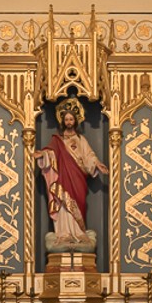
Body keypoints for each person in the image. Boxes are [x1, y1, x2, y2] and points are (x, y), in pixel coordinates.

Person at [35, 96, 106, 252]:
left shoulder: (81, 139)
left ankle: (78, 232)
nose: (68, 122)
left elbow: (89, 156)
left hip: (77, 178)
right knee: (62, 206)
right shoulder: (57, 140)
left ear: (75, 121)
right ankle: (63, 233)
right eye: (66, 119)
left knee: (77, 205)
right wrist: (43, 155)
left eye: (71, 119)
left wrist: (97, 164)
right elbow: (50, 152)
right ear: (63, 121)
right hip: (62, 178)